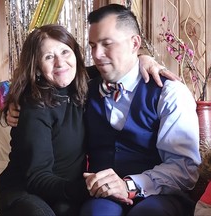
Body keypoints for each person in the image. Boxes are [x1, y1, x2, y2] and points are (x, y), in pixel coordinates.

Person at [80, 4, 201, 216]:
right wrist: (13, 102)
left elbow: (184, 169)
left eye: (107, 44)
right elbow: (37, 80)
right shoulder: (83, 86)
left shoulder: (169, 92)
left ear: (134, 43)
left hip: (161, 197)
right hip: (104, 197)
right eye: (92, 46)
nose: (97, 55)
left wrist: (130, 185)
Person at [0, 24, 91, 216]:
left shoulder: (85, 84)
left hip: (63, 191)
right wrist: (87, 189)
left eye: (65, 51)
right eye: (49, 57)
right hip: (26, 190)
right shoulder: (33, 106)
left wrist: (145, 60)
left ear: (76, 55)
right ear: (37, 67)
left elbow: (118, 66)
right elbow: (37, 178)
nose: (60, 62)